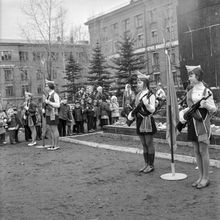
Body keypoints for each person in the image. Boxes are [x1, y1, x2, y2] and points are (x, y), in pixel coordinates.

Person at [179, 65, 217, 189]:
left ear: (198, 76)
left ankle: (206, 178)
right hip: (192, 124)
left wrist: (205, 105)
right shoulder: (190, 91)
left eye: (191, 75)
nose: (189, 78)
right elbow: (190, 107)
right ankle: (200, 176)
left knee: (203, 151)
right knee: (196, 151)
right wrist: (183, 113)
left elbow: (214, 109)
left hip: (202, 124)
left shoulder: (207, 91)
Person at [128, 71, 157, 173]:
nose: (138, 84)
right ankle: (146, 163)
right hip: (139, 120)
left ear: (145, 83)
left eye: (140, 82)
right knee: (143, 143)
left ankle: (151, 165)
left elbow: (153, 109)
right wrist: (131, 114)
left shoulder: (150, 94)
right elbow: (135, 107)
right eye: (138, 82)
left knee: (149, 143)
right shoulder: (138, 94)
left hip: (147, 119)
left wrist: (147, 105)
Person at [44, 80, 60, 150]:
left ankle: (56, 145)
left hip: (53, 113)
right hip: (48, 113)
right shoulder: (49, 95)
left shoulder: (55, 94)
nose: (45, 87)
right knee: (50, 129)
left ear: (50, 87)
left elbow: (58, 105)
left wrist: (49, 102)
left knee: (54, 129)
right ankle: (52, 144)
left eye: (47, 86)